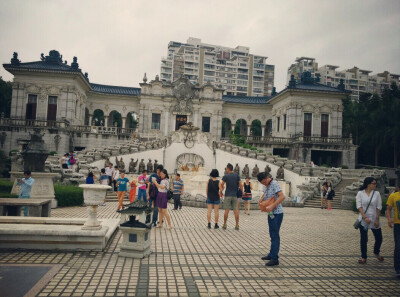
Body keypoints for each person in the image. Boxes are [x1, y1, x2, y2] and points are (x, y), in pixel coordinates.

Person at [257, 172, 285, 266]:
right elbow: (267, 196)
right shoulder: (267, 185)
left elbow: (282, 196)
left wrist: (273, 205)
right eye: (262, 183)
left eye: (264, 182)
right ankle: (271, 253)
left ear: (267, 178)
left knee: (275, 235)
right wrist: (261, 200)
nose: (264, 184)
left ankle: (274, 258)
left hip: (277, 213)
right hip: (271, 213)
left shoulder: (274, 184)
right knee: (272, 234)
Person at [356, 177, 383, 264]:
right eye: (374, 183)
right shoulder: (360, 193)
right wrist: (365, 217)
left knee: (379, 238)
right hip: (363, 220)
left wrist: (377, 219)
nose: (375, 185)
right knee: (364, 239)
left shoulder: (377, 194)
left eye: (375, 183)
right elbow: (359, 206)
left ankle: (376, 252)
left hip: (375, 218)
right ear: (368, 184)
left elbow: (379, 207)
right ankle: (364, 257)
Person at [220, 163, 243, 230]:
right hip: (235, 195)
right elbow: (241, 185)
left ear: (228, 168)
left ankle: (224, 224)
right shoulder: (237, 176)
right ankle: (237, 225)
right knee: (236, 211)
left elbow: (222, 184)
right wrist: (242, 192)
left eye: (226, 168)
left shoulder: (226, 176)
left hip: (227, 195)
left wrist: (221, 190)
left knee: (226, 210)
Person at [386, 185, 400, 276]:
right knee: (398, 246)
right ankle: (398, 268)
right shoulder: (393, 196)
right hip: (398, 224)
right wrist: (389, 219)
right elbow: (388, 208)